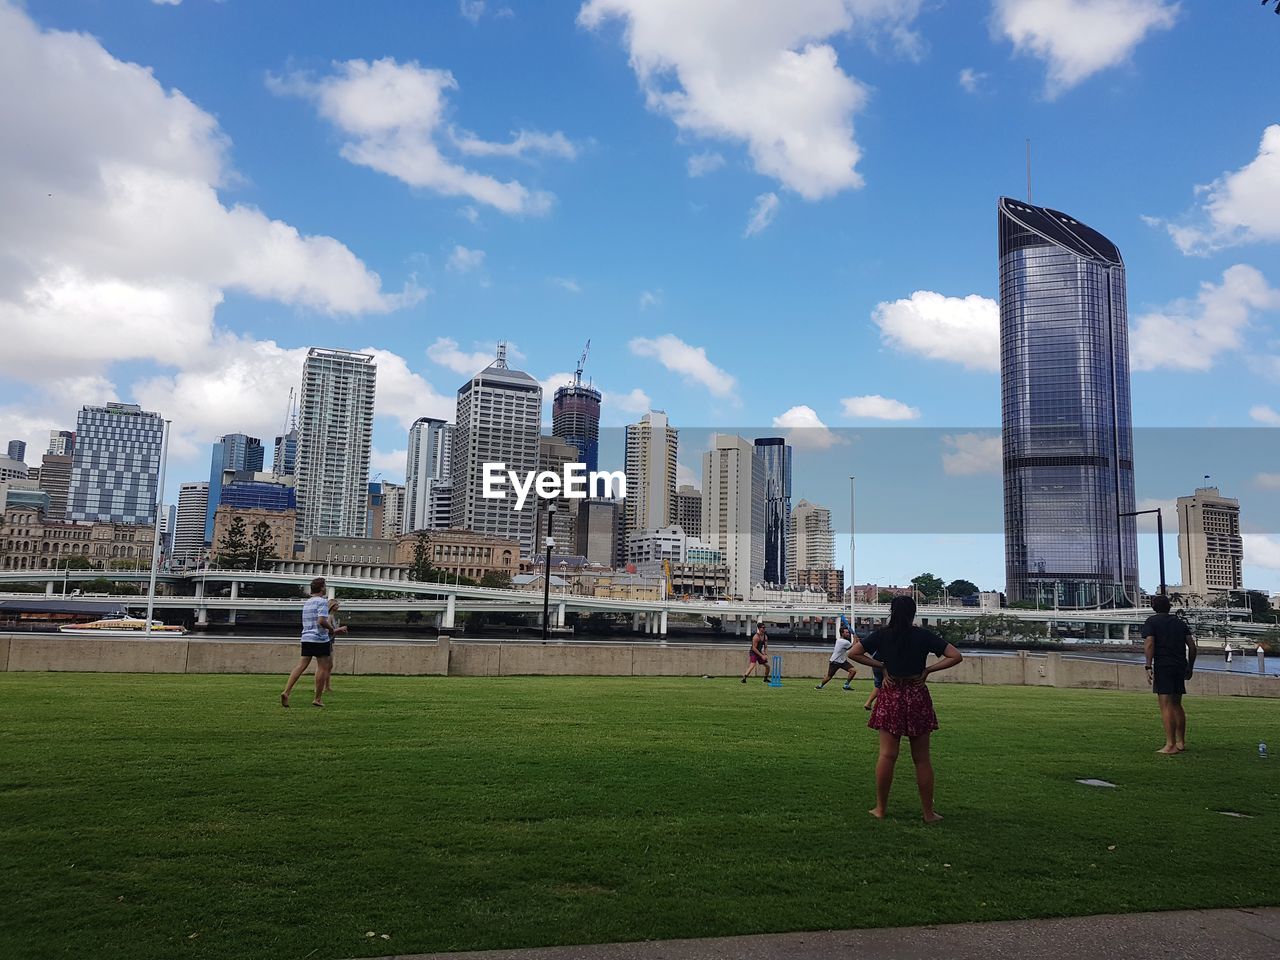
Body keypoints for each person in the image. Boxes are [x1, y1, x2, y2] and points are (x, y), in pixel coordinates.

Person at [849, 596, 962, 822]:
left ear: (891, 611)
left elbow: (853, 653)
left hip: (891, 694)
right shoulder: (923, 635)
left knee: (887, 755)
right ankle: (928, 813)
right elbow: (955, 656)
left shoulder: (882, 635)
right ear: (914, 613)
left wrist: (882, 666)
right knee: (921, 759)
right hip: (916, 693)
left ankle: (880, 809)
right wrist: (928, 670)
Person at [1141, 595, 1197, 755]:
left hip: (1164, 665)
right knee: (1177, 704)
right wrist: (1190, 667)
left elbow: (1149, 643)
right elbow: (1192, 647)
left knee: (1165, 704)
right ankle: (1181, 742)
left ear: (1153, 607)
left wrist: (1148, 666)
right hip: (1180, 665)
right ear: (1169, 606)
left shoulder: (1151, 622)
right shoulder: (1180, 623)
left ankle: (1170, 744)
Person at [281, 577, 334, 708]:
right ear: (321, 588)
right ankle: (317, 698)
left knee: (300, 666)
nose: (325, 587)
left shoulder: (308, 603)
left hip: (306, 637)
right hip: (320, 638)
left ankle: (286, 692)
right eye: (325, 585)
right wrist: (331, 629)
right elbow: (321, 621)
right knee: (323, 667)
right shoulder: (322, 602)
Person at [816, 618, 858, 690]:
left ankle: (846, 685)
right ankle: (820, 686)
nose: (848, 634)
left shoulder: (842, 641)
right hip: (835, 662)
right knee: (829, 677)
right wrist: (855, 638)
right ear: (842, 633)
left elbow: (848, 648)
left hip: (842, 661)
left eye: (848, 632)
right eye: (846, 633)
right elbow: (853, 647)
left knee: (853, 671)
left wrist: (855, 640)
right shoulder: (843, 642)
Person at [322, 598, 348, 694]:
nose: (338, 606)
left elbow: (334, 631)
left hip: (330, 642)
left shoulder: (333, 616)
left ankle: (327, 686)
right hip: (326, 642)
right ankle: (322, 687)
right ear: (332, 606)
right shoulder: (329, 617)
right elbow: (329, 630)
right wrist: (340, 628)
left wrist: (341, 631)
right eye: (337, 605)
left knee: (329, 665)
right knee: (325, 666)